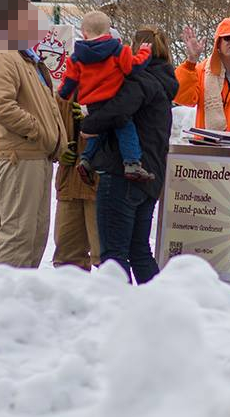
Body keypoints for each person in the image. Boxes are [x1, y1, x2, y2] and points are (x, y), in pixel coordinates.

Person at [80, 25, 177, 283]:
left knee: (114, 255)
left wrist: (88, 126)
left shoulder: (141, 81)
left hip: (122, 176)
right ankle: (161, 308)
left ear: (137, 49)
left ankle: (120, 315)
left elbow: (118, 111)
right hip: (150, 178)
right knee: (139, 251)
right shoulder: (164, 82)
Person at [0, 0, 67, 268]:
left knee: (36, 234)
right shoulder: (5, 57)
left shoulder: (28, 59)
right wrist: (36, 130)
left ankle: (22, 299)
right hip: (20, 155)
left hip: (37, 155)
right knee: (19, 233)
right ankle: (5, 302)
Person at [59, 10, 154, 183]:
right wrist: (145, 52)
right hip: (113, 101)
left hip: (91, 105)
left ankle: (86, 160)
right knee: (126, 128)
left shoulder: (75, 58)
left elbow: (67, 86)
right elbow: (133, 67)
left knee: (99, 131)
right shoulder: (118, 50)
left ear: (84, 33)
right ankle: (132, 163)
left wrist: (62, 93)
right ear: (109, 32)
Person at [52, 106, 100, 270]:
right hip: (69, 182)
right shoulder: (65, 92)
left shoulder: (119, 86)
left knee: (107, 257)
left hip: (103, 183)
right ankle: (69, 295)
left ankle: (112, 295)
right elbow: (49, 124)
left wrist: (97, 118)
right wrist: (58, 149)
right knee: (67, 257)